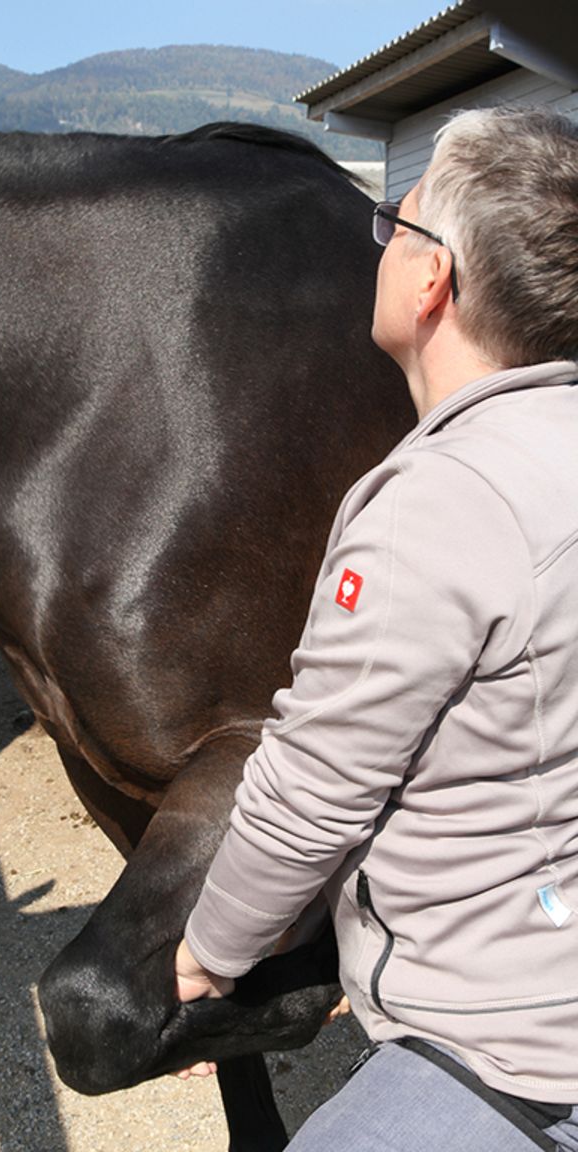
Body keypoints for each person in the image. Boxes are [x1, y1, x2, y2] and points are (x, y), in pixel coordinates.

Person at [174, 105, 578, 1151]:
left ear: (432, 278)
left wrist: (214, 952)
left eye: (394, 225)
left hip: (520, 1052)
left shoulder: (438, 501)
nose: (384, 247)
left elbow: (315, 786)